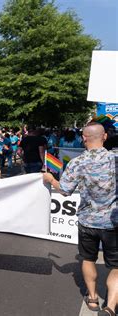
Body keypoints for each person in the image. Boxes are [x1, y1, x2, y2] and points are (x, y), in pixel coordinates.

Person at [43, 122, 117, 316]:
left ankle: (92, 299)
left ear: (84, 138)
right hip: (113, 223)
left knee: (88, 258)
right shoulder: (115, 158)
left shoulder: (77, 162)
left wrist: (50, 179)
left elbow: (64, 190)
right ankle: (110, 307)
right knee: (117, 266)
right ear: (105, 137)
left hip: (87, 222)